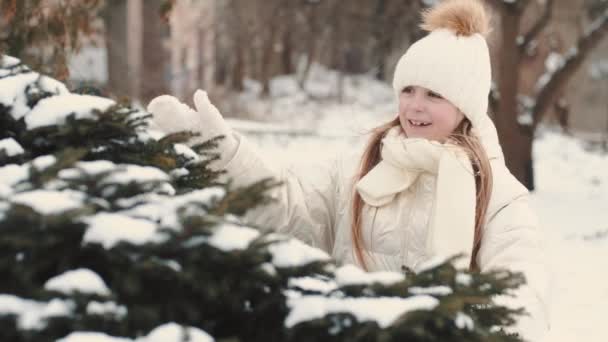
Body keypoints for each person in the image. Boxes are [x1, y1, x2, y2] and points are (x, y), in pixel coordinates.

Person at [147, 0, 551, 339]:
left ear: (467, 106)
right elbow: (288, 207)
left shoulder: (497, 194)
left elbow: (522, 297)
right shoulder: (360, 166)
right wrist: (223, 154)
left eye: (434, 95)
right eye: (407, 90)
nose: (414, 106)